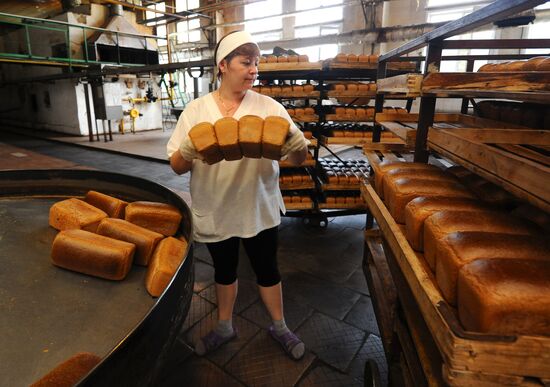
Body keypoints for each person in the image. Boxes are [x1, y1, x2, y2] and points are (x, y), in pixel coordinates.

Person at [166, 30, 309, 360]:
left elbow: (297, 160)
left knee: (268, 269)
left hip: (258, 206)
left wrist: (298, 147)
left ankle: (280, 325)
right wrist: (188, 149)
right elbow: (176, 166)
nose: (253, 69)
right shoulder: (196, 111)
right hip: (216, 206)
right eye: (246, 62)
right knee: (224, 270)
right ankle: (225, 325)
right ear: (223, 66)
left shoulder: (269, 107)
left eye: (256, 63)